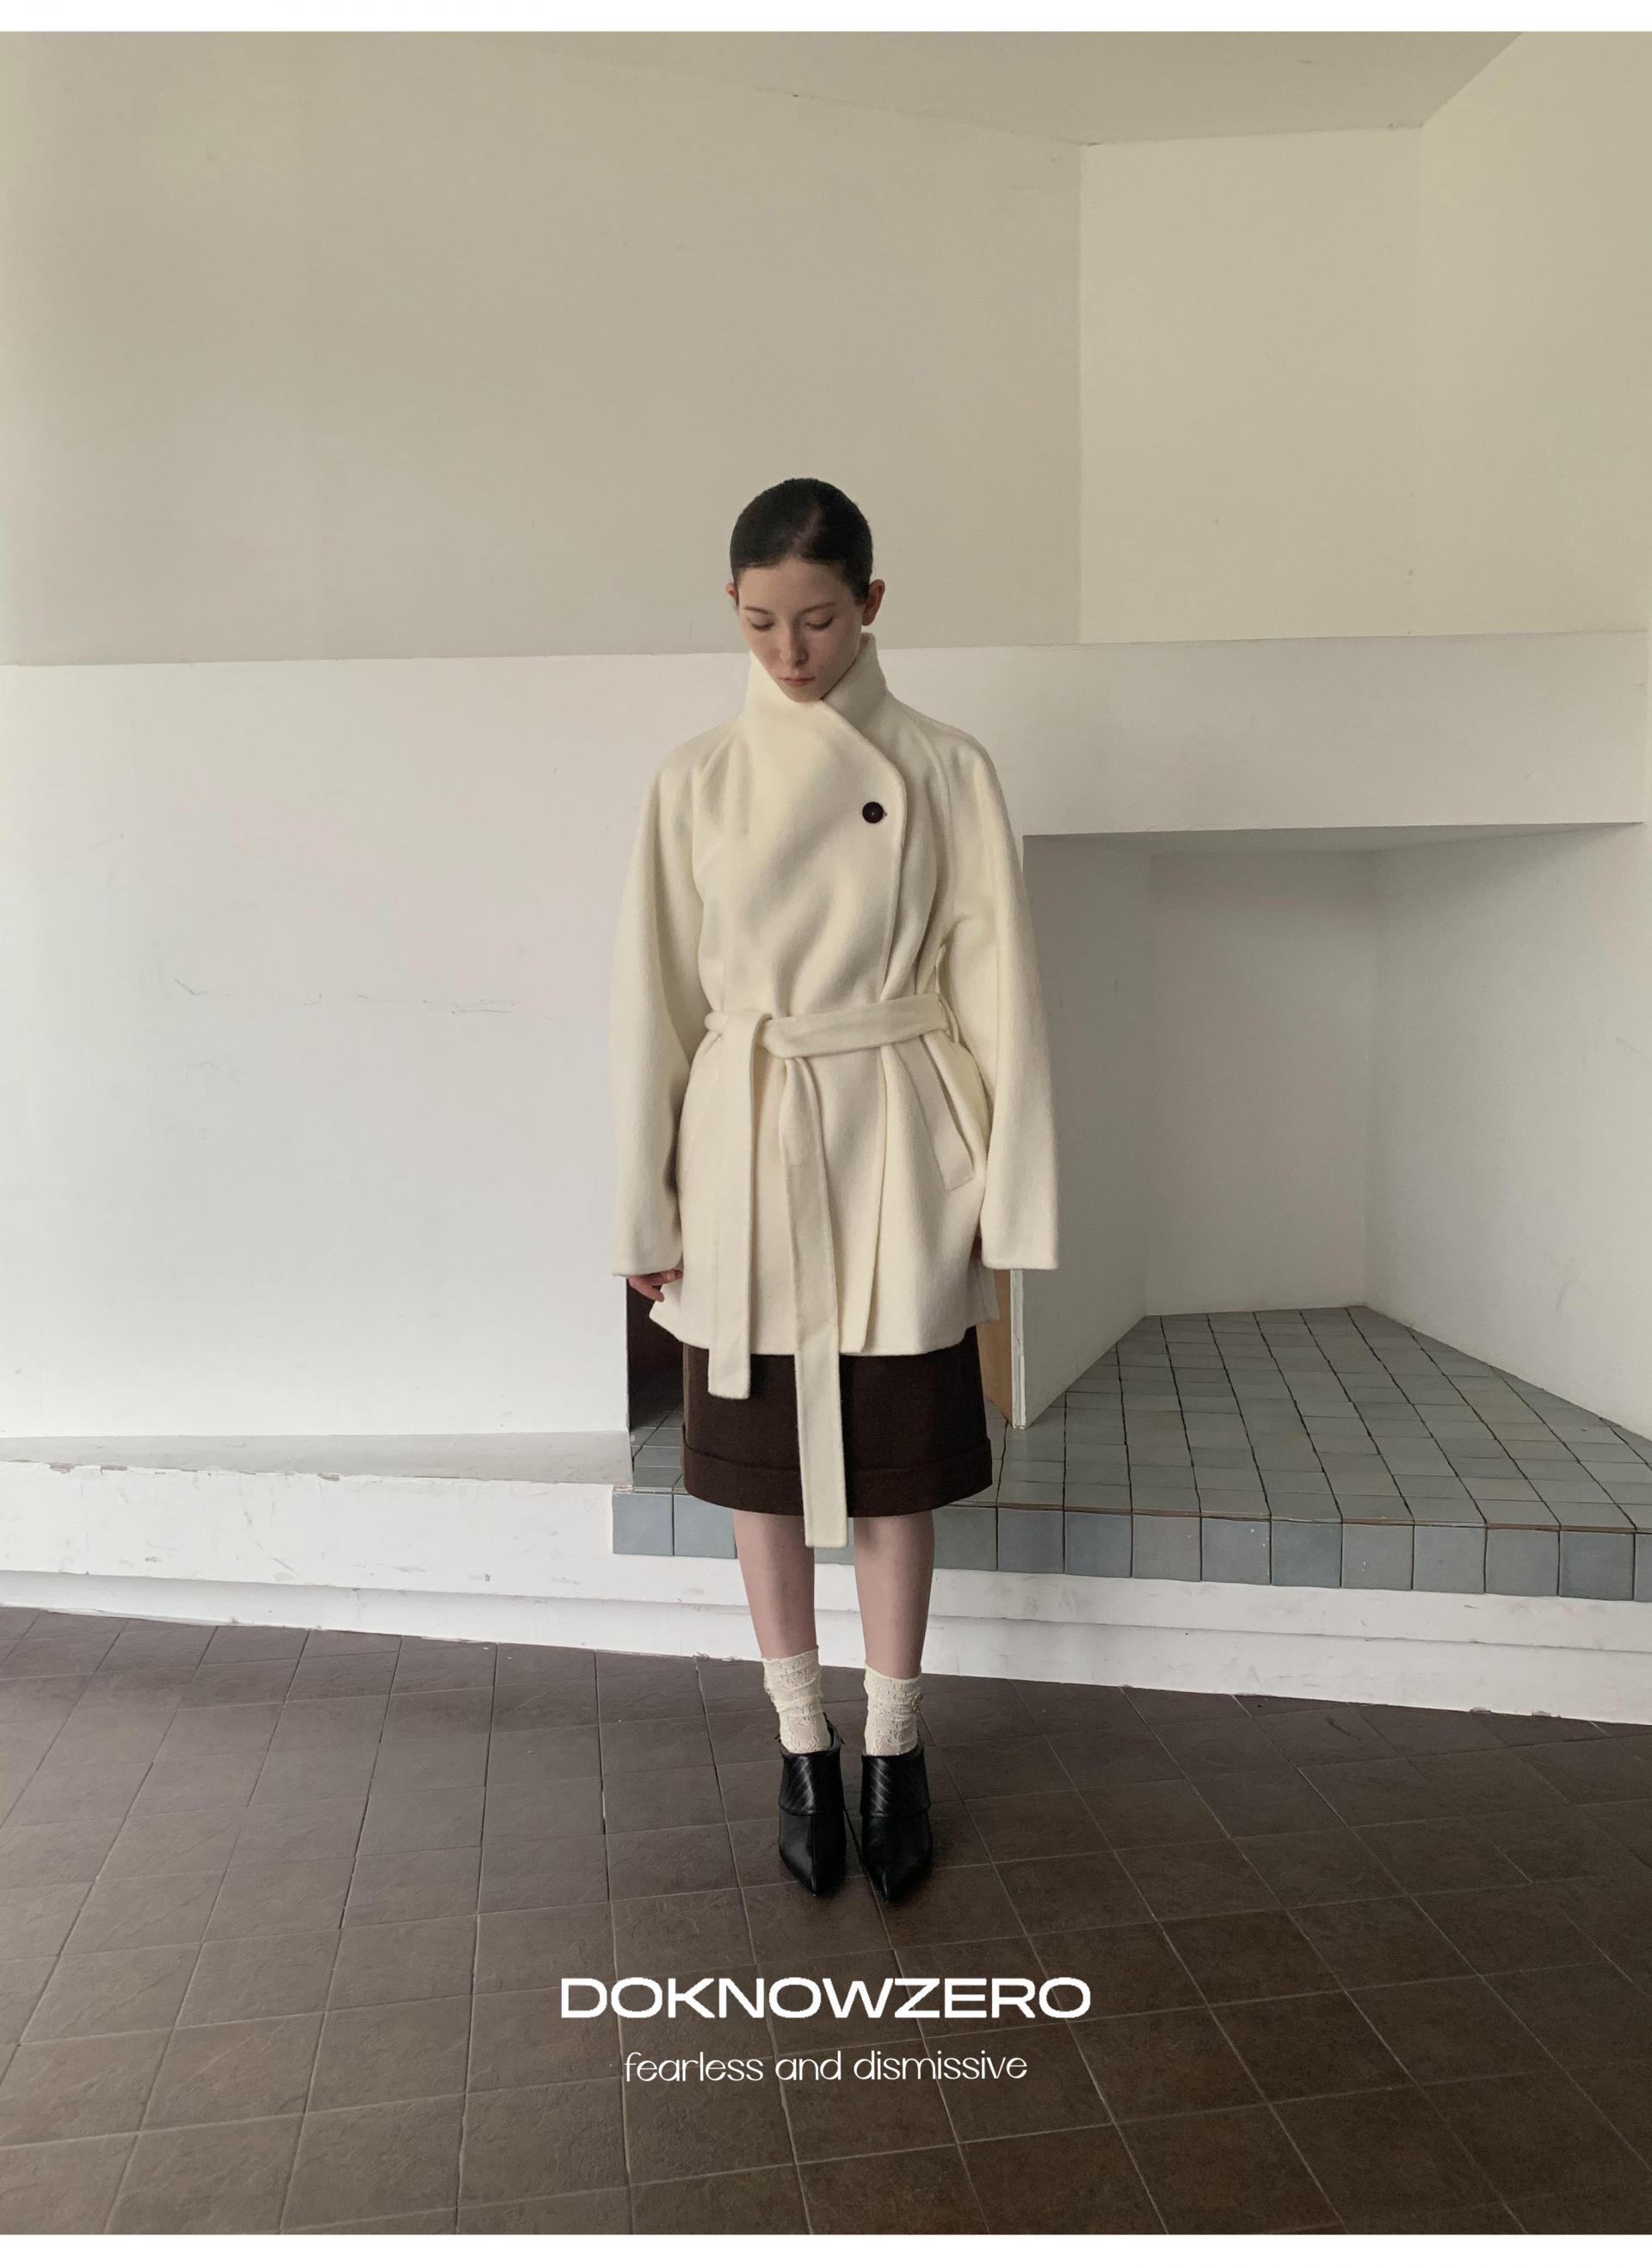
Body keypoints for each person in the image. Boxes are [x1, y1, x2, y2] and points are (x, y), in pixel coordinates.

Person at [609, 478, 1059, 1901]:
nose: (789, 651)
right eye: (760, 622)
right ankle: (801, 1738)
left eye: (815, 618)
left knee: (891, 1465)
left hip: (895, 1141)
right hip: (748, 1142)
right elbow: (654, 1006)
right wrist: (646, 1205)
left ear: (869, 602)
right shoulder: (693, 779)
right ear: (732, 608)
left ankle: (898, 1742)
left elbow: (1002, 992)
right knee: (760, 1468)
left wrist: (1007, 1196)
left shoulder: (946, 767)